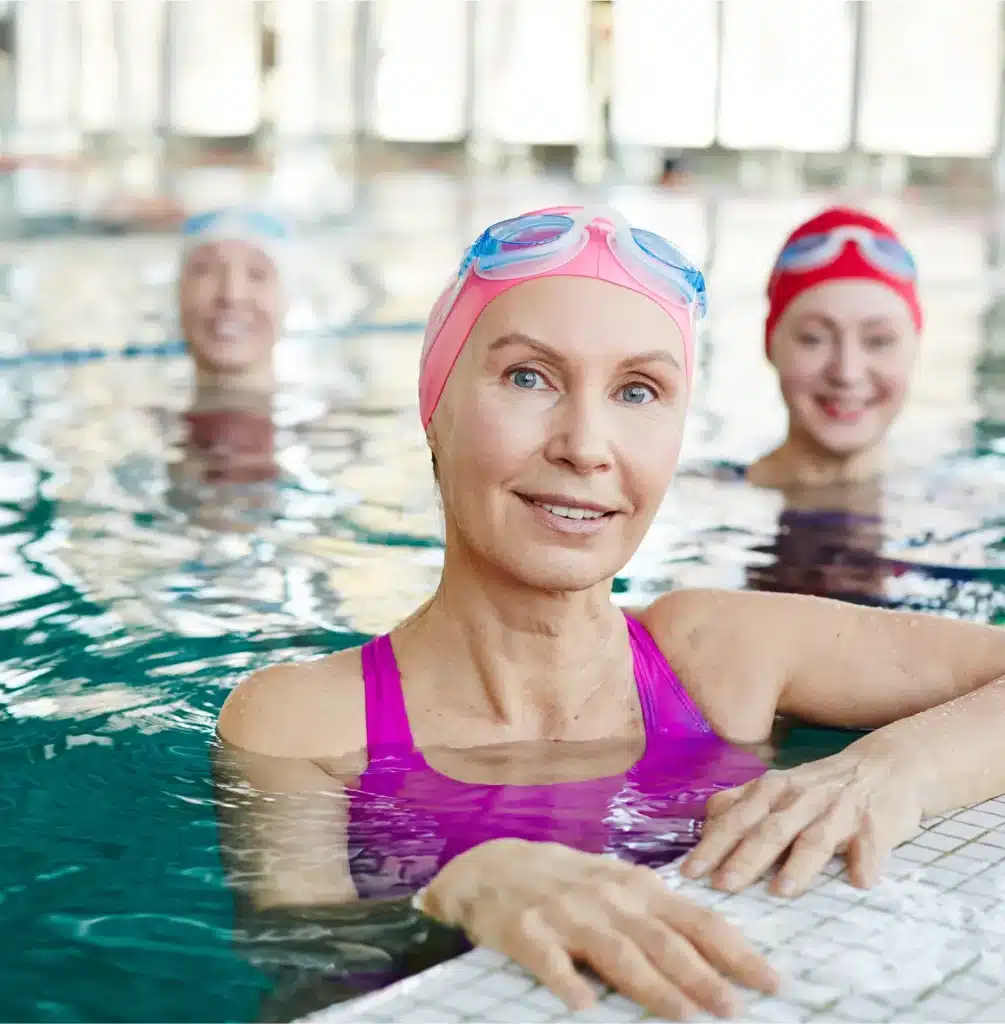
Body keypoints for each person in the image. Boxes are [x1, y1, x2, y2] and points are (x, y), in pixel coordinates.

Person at [216, 205, 1005, 1021]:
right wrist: (452, 893)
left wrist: (884, 775)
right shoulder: (302, 720)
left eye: (638, 391)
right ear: (436, 406)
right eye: (529, 377)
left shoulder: (722, 652)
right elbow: (300, 961)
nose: (585, 445)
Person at [747, 207, 923, 489]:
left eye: (879, 341)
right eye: (813, 338)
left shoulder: (971, 499)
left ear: (915, 348)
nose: (847, 373)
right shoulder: (701, 501)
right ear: (769, 344)